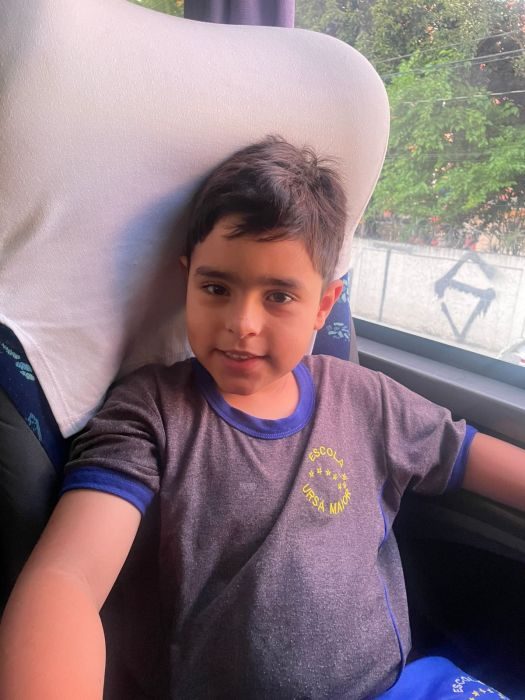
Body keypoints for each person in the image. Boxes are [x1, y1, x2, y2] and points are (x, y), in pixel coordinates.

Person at [0, 136, 523, 700]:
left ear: (323, 306)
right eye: (216, 287)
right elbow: (69, 578)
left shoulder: (364, 398)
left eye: (278, 297)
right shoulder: (152, 411)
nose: (242, 323)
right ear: (186, 281)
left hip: (400, 687)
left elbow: (472, 455)